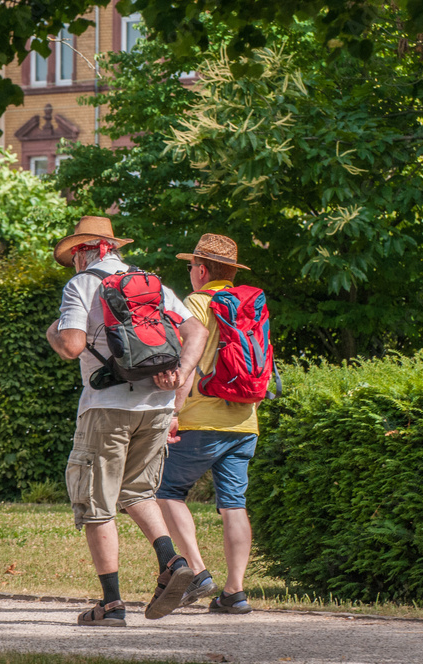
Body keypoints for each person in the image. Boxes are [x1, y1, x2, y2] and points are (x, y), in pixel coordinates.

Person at [45, 216, 208, 625]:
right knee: (137, 491)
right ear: (113, 247)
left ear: (85, 251)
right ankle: (171, 562)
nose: (73, 263)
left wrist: (52, 331)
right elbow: (197, 333)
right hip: (156, 405)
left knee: (97, 503)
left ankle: (112, 604)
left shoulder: (81, 285)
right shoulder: (150, 282)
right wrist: (181, 378)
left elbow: (71, 345)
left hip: (107, 405)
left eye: (74, 255)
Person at [157, 233, 259, 614]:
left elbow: (188, 363)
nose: (190, 273)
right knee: (234, 504)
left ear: (201, 270)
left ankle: (198, 571)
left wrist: (172, 412)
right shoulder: (248, 306)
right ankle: (235, 592)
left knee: (165, 492)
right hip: (245, 420)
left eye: (190, 267)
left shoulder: (197, 304)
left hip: (201, 418)